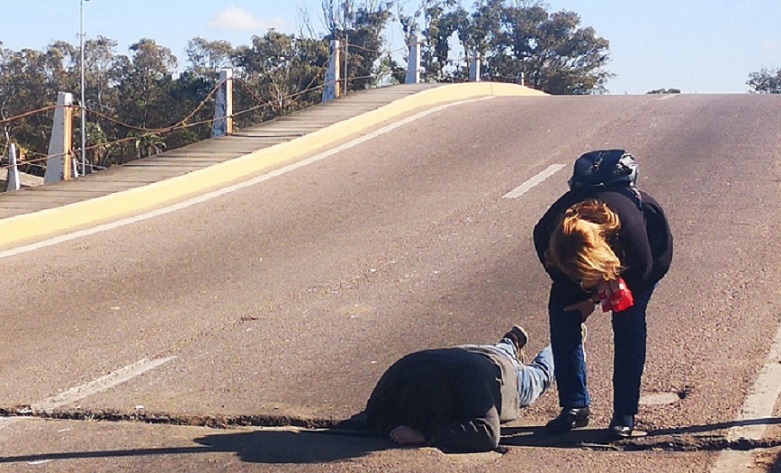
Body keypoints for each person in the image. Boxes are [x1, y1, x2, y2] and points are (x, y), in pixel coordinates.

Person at [533, 149, 673, 439]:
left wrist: (596, 297)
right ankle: (574, 406)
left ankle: (624, 413)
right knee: (563, 315)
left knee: (627, 322)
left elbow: (644, 269)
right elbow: (558, 272)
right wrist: (581, 297)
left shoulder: (634, 228)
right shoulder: (547, 232)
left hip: (643, 263)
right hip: (581, 258)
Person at [363, 325, 555, 453]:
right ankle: (510, 342)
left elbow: (487, 433)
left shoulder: (469, 382)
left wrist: (426, 435)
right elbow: (374, 413)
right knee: (497, 351)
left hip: (506, 374)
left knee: (541, 374)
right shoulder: (403, 371)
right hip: (468, 353)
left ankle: (564, 345)